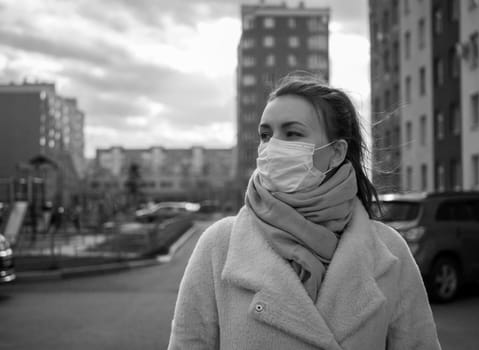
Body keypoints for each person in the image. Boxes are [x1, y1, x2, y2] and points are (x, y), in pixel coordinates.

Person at [167, 75, 441, 349]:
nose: (271, 147)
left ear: (335, 152)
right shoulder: (219, 245)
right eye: (265, 135)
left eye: (292, 133)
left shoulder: (389, 250)